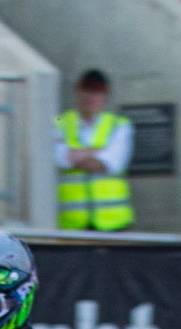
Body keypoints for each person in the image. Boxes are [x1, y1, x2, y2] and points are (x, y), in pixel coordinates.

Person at [54, 69, 135, 231]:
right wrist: (98, 151)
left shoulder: (119, 125)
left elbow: (112, 163)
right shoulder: (59, 122)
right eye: (86, 90)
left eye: (97, 92)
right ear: (77, 92)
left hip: (113, 224)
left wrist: (76, 156)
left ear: (106, 96)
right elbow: (60, 160)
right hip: (71, 225)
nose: (90, 97)